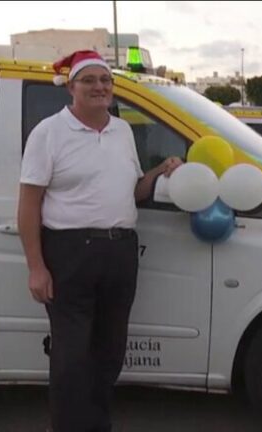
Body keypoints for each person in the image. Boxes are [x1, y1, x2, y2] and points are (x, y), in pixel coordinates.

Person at [18, 50, 183, 432]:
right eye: (89, 80)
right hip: (70, 253)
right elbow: (29, 203)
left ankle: (95, 425)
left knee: (109, 354)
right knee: (70, 357)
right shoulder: (49, 133)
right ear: (71, 88)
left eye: (105, 81)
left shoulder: (122, 131)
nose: (99, 87)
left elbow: (134, 191)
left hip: (120, 252)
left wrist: (161, 170)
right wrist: (36, 267)